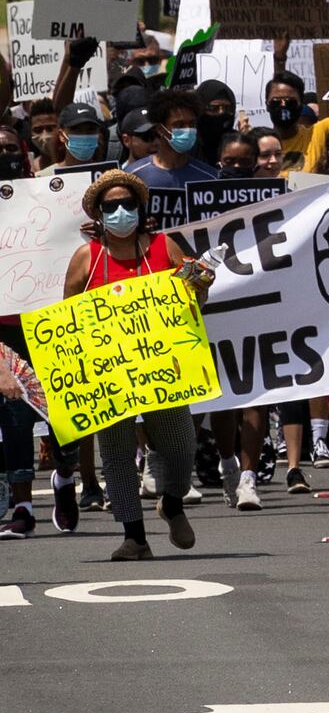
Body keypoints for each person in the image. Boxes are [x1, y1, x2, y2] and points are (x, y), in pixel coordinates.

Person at [59, 167, 213, 558]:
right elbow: (66, 319)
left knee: (181, 444)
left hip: (162, 369)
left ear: (140, 207)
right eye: (112, 206)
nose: (121, 212)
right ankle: (134, 537)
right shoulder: (86, 258)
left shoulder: (165, 247)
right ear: (98, 214)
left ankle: (172, 503)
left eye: (128, 204)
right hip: (108, 374)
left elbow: (193, 305)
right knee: (116, 453)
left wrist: (201, 285)